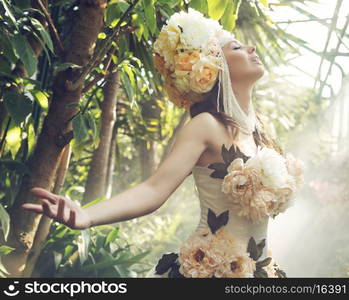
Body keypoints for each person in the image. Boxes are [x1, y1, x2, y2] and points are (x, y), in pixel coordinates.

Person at [22, 8, 304, 278]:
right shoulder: (205, 125)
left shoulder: (260, 132)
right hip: (209, 273)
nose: (251, 49)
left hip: (259, 271)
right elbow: (154, 189)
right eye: (237, 47)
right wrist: (86, 215)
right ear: (214, 65)